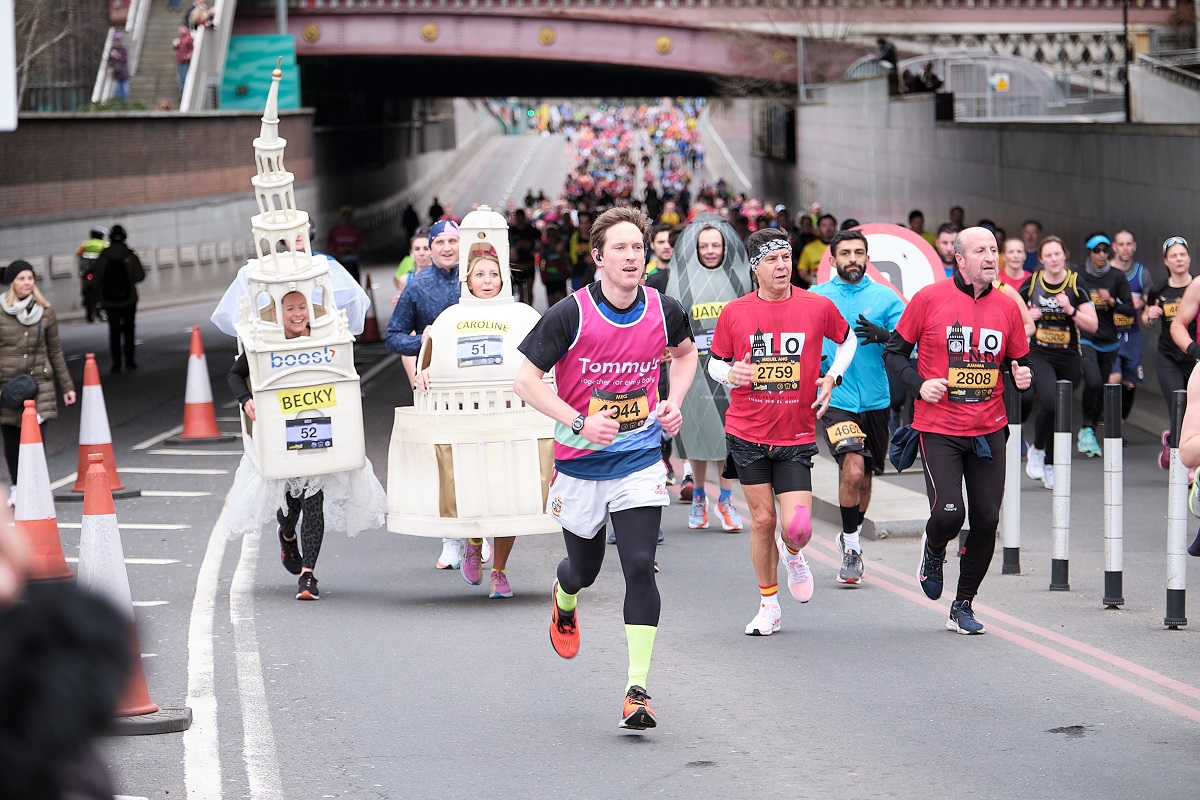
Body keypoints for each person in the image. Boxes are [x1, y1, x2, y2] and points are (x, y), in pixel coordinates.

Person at [513, 206, 696, 730]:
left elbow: (686, 355)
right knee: (585, 570)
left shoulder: (665, 310)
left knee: (639, 563)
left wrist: (672, 401)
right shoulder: (568, 314)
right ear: (597, 258)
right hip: (580, 464)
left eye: (637, 247)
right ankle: (564, 596)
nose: (632, 256)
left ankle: (637, 688)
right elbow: (524, 380)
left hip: (639, 458)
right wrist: (577, 421)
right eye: (620, 248)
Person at [884, 227, 1033, 635]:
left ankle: (963, 604)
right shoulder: (929, 300)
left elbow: (1019, 361)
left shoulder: (1005, 307)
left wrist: (1023, 376)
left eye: (994, 249)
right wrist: (919, 384)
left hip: (989, 429)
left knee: (986, 520)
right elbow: (893, 353)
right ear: (960, 259)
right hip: (939, 427)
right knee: (951, 512)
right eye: (981, 250)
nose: (991, 256)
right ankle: (933, 549)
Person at [708, 229, 855, 634]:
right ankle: (769, 604)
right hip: (747, 432)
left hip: (795, 435)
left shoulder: (816, 306)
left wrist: (833, 377)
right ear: (756, 267)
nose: (782, 267)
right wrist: (729, 372)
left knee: (798, 527)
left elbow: (848, 340)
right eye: (772, 260)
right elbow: (714, 363)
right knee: (762, 521)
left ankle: (793, 554)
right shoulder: (735, 312)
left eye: (787, 258)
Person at [227, 291, 385, 600]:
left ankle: (308, 576)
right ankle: (287, 536)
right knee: (291, 504)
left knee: (314, 499)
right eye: (290, 309)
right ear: (279, 312)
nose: (298, 314)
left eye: (303, 307)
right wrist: (246, 400)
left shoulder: (326, 338)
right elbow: (235, 374)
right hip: (281, 433)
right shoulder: (265, 342)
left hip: (320, 427)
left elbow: (345, 375)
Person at [415, 254, 517, 599]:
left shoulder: (519, 317)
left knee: (509, 499)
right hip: (466, 421)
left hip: (509, 418)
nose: (487, 280)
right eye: (480, 275)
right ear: (468, 282)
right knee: (475, 490)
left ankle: (500, 571)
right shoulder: (451, 320)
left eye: (494, 274)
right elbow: (432, 359)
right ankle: (473, 541)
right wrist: (428, 370)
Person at [385, 220, 483, 570]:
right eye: (439, 241)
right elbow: (392, 335)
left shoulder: (479, 279)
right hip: (437, 386)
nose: (445, 247)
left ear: (463, 244)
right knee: (444, 462)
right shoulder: (418, 286)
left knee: (477, 457)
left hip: (476, 382)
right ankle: (450, 541)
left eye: (452, 241)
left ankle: (480, 533)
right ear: (430, 246)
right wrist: (422, 342)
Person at [810, 230, 906, 585]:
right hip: (836, 399)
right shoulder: (817, 297)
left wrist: (886, 337)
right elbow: (798, 336)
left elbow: (913, 343)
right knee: (851, 471)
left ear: (868, 258)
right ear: (832, 260)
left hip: (877, 402)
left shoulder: (885, 298)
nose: (853, 258)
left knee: (865, 477)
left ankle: (850, 535)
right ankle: (852, 549)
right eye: (845, 253)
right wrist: (816, 365)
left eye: (859, 252)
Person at [666, 217, 749, 531]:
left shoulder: (740, 280)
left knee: (729, 439)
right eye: (704, 246)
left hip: (730, 369)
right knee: (697, 438)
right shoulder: (680, 279)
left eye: (716, 245)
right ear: (695, 249)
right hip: (692, 369)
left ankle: (725, 501)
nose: (711, 250)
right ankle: (699, 496)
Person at [1019, 236, 1097, 489]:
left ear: (1065, 255)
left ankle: (1050, 464)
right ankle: (1039, 451)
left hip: (1069, 355)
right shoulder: (1032, 283)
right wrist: (1027, 316)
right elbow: (1009, 310)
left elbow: (1093, 326)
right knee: (1050, 401)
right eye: (1048, 255)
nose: (1054, 259)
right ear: (1041, 259)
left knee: (1060, 410)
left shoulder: (1076, 283)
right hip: (1041, 354)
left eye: (1057, 254)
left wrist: (1071, 310)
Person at [0, 260, 76, 496]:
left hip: (39, 386)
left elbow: (55, 351)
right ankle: (16, 486)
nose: (27, 283)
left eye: (30, 278)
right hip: (8, 386)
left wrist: (67, 386)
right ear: (12, 282)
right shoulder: (1, 311)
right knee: (12, 439)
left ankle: (34, 487)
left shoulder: (45, 311)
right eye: (21, 278)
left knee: (36, 439)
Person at [1075, 233, 1134, 458]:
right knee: (1093, 380)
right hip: (1086, 338)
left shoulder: (1117, 277)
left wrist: (1112, 301)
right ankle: (1087, 426)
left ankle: (1088, 429)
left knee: (1100, 387)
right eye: (1096, 250)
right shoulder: (1079, 276)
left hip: (1109, 341)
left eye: (1104, 250)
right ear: (1088, 253)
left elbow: (1129, 309)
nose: (1101, 255)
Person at [1150, 237, 1196, 467]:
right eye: (1174, 256)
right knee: (1179, 402)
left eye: (1182, 255)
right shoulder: (1159, 289)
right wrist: (1149, 316)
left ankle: (1174, 441)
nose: (1179, 259)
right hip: (1169, 355)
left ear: (1189, 258)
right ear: (1166, 262)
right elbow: (1147, 316)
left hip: (1194, 357)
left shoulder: (1195, 286)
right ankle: (1181, 461)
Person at [90, 224, 145, 374]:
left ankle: (116, 363)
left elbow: (95, 280)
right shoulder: (130, 256)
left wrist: (97, 301)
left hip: (109, 301)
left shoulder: (103, 257)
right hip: (129, 300)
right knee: (129, 330)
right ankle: (130, 361)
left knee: (114, 332)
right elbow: (140, 276)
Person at [1110, 229, 1148, 428]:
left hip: (1132, 335)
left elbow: (1150, 303)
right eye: (1121, 244)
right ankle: (1107, 422)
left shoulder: (1142, 273)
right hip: (1110, 335)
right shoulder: (1106, 271)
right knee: (1113, 377)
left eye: (1128, 244)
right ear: (1114, 247)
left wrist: (1142, 303)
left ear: (1134, 246)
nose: (1125, 249)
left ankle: (1119, 426)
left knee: (1129, 382)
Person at [325, 206, 366, 284]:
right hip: (339, 261)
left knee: (354, 281)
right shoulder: (334, 231)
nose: (346, 218)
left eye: (348, 216)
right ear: (342, 217)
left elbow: (362, 245)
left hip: (352, 261)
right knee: (340, 282)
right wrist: (333, 255)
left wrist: (356, 252)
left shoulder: (356, 230)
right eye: (345, 216)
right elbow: (329, 245)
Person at [509, 209, 539, 306]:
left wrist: (534, 250)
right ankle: (522, 309)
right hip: (517, 265)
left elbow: (540, 241)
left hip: (529, 263)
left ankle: (530, 307)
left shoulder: (530, 230)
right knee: (521, 291)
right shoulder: (512, 231)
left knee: (529, 289)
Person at [76, 227, 107, 323]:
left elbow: (78, 254)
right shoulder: (105, 245)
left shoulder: (85, 244)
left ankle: (85, 298)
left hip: (87, 272)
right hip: (100, 273)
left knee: (85, 285)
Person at [796, 213, 836, 284]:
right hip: (816, 290)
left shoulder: (841, 248)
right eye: (824, 225)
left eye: (831, 225)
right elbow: (802, 269)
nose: (828, 228)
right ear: (818, 228)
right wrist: (809, 278)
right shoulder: (809, 248)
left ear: (835, 227)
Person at [107, 33, 130, 100]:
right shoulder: (112, 49)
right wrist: (110, 66)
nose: (117, 42)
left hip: (124, 73)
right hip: (117, 73)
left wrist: (117, 56)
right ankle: (119, 105)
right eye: (116, 40)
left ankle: (125, 104)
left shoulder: (123, 49)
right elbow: (110, 60)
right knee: (117, 91)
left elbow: (125, 60)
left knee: (125, 90)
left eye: (118, 40)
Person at [172, 25, 193, 97]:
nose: (181, 31)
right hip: (180, 61)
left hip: (185, 61)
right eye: (180, 30)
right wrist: (175, 45)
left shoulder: (189, 38)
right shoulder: (180, 38)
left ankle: (184, 95)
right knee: (180, 79)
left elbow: (191, 48)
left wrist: (188, 55)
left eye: (182, 29)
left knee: (184, 78)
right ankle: (182, 94)